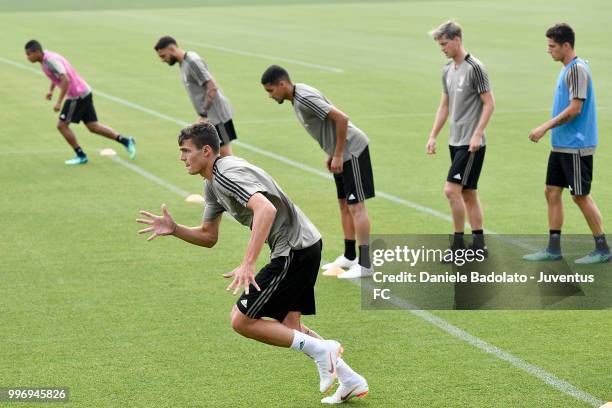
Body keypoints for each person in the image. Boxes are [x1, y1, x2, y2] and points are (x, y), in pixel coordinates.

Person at [136, 123, 368, 404]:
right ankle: (350, 379)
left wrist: (248, 262)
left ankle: (324, 351)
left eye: (186, 151)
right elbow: (209, 236)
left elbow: (265, 209)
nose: (182, 157)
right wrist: (175, 229)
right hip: (303, 245)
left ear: (206, 151)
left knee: (242, 320)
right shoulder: (212, 184)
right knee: (290, 326)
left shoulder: (226, 174)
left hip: (294, 249)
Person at [260, 65, 375, 279]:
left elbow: (341, 118)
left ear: (282, 84)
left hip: (353, 151)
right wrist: (332, 152)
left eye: (270, 90)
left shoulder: (303, 97)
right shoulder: (297, 96)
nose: (270, 95)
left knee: (356, 206)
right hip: (340, 152)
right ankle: (350, 256)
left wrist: (339, 153)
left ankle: (366, 263)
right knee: (344, 204)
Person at [523, 23, 610, 264]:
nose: (548, 50)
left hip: (576, 145)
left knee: (580, 196)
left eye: (552, 46)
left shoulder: (576, 70)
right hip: (561, 145)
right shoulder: (567, 69)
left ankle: (603, 249)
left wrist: (544, 127)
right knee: (551, 191)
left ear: (566, 45)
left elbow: (575, 108)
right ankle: (553, 248)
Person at [425, 21, 495, 255]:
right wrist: (433, 135)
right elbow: (444, 106)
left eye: (444, 44)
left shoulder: (475, 68)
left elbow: (489, 103)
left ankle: (457, 245)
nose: (442, 48)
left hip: (472, 144)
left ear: (457, 40)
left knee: (451, 190)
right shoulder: (447, 70)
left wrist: (477, 134)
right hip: (454, 141)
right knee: (468, 193)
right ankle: (479, 245)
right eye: (439, 45)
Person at [25, 40, 136, 165]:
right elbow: (56, 76)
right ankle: (126, 141)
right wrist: (51, 90)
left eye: (29, 54)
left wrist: (59, 102)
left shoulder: (50, 61)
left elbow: (65, 79)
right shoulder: (47, 57)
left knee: (61, 126)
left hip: (76, 95)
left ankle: (81, 155)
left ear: (37, 52)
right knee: (93, 127)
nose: (27, 57)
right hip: (85, 91)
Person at [154, 36, 237, 157]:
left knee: (226, 156)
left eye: (163, 56)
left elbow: (212, 87)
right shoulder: (183, 63)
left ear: (171, 49)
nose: (163, 60)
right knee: (215, 155)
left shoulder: (192, 62)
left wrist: (203, 114)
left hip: (218, 115)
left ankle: (238, 176)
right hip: (210, 116)